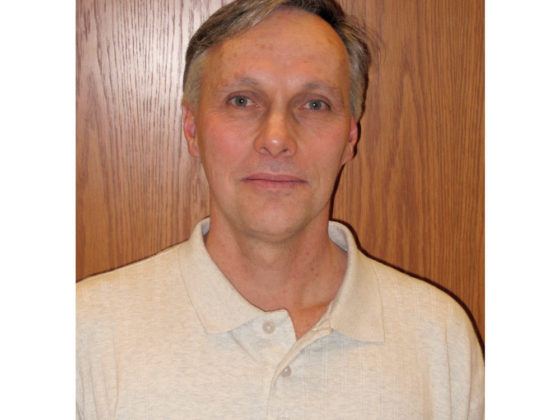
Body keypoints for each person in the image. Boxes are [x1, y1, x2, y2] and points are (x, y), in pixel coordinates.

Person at [76, 0, 484, 418]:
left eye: (314, 104)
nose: (276, 139)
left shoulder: (438, 339)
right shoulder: (85, 334)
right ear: (192, 127)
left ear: (350, 137)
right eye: (242, 101)